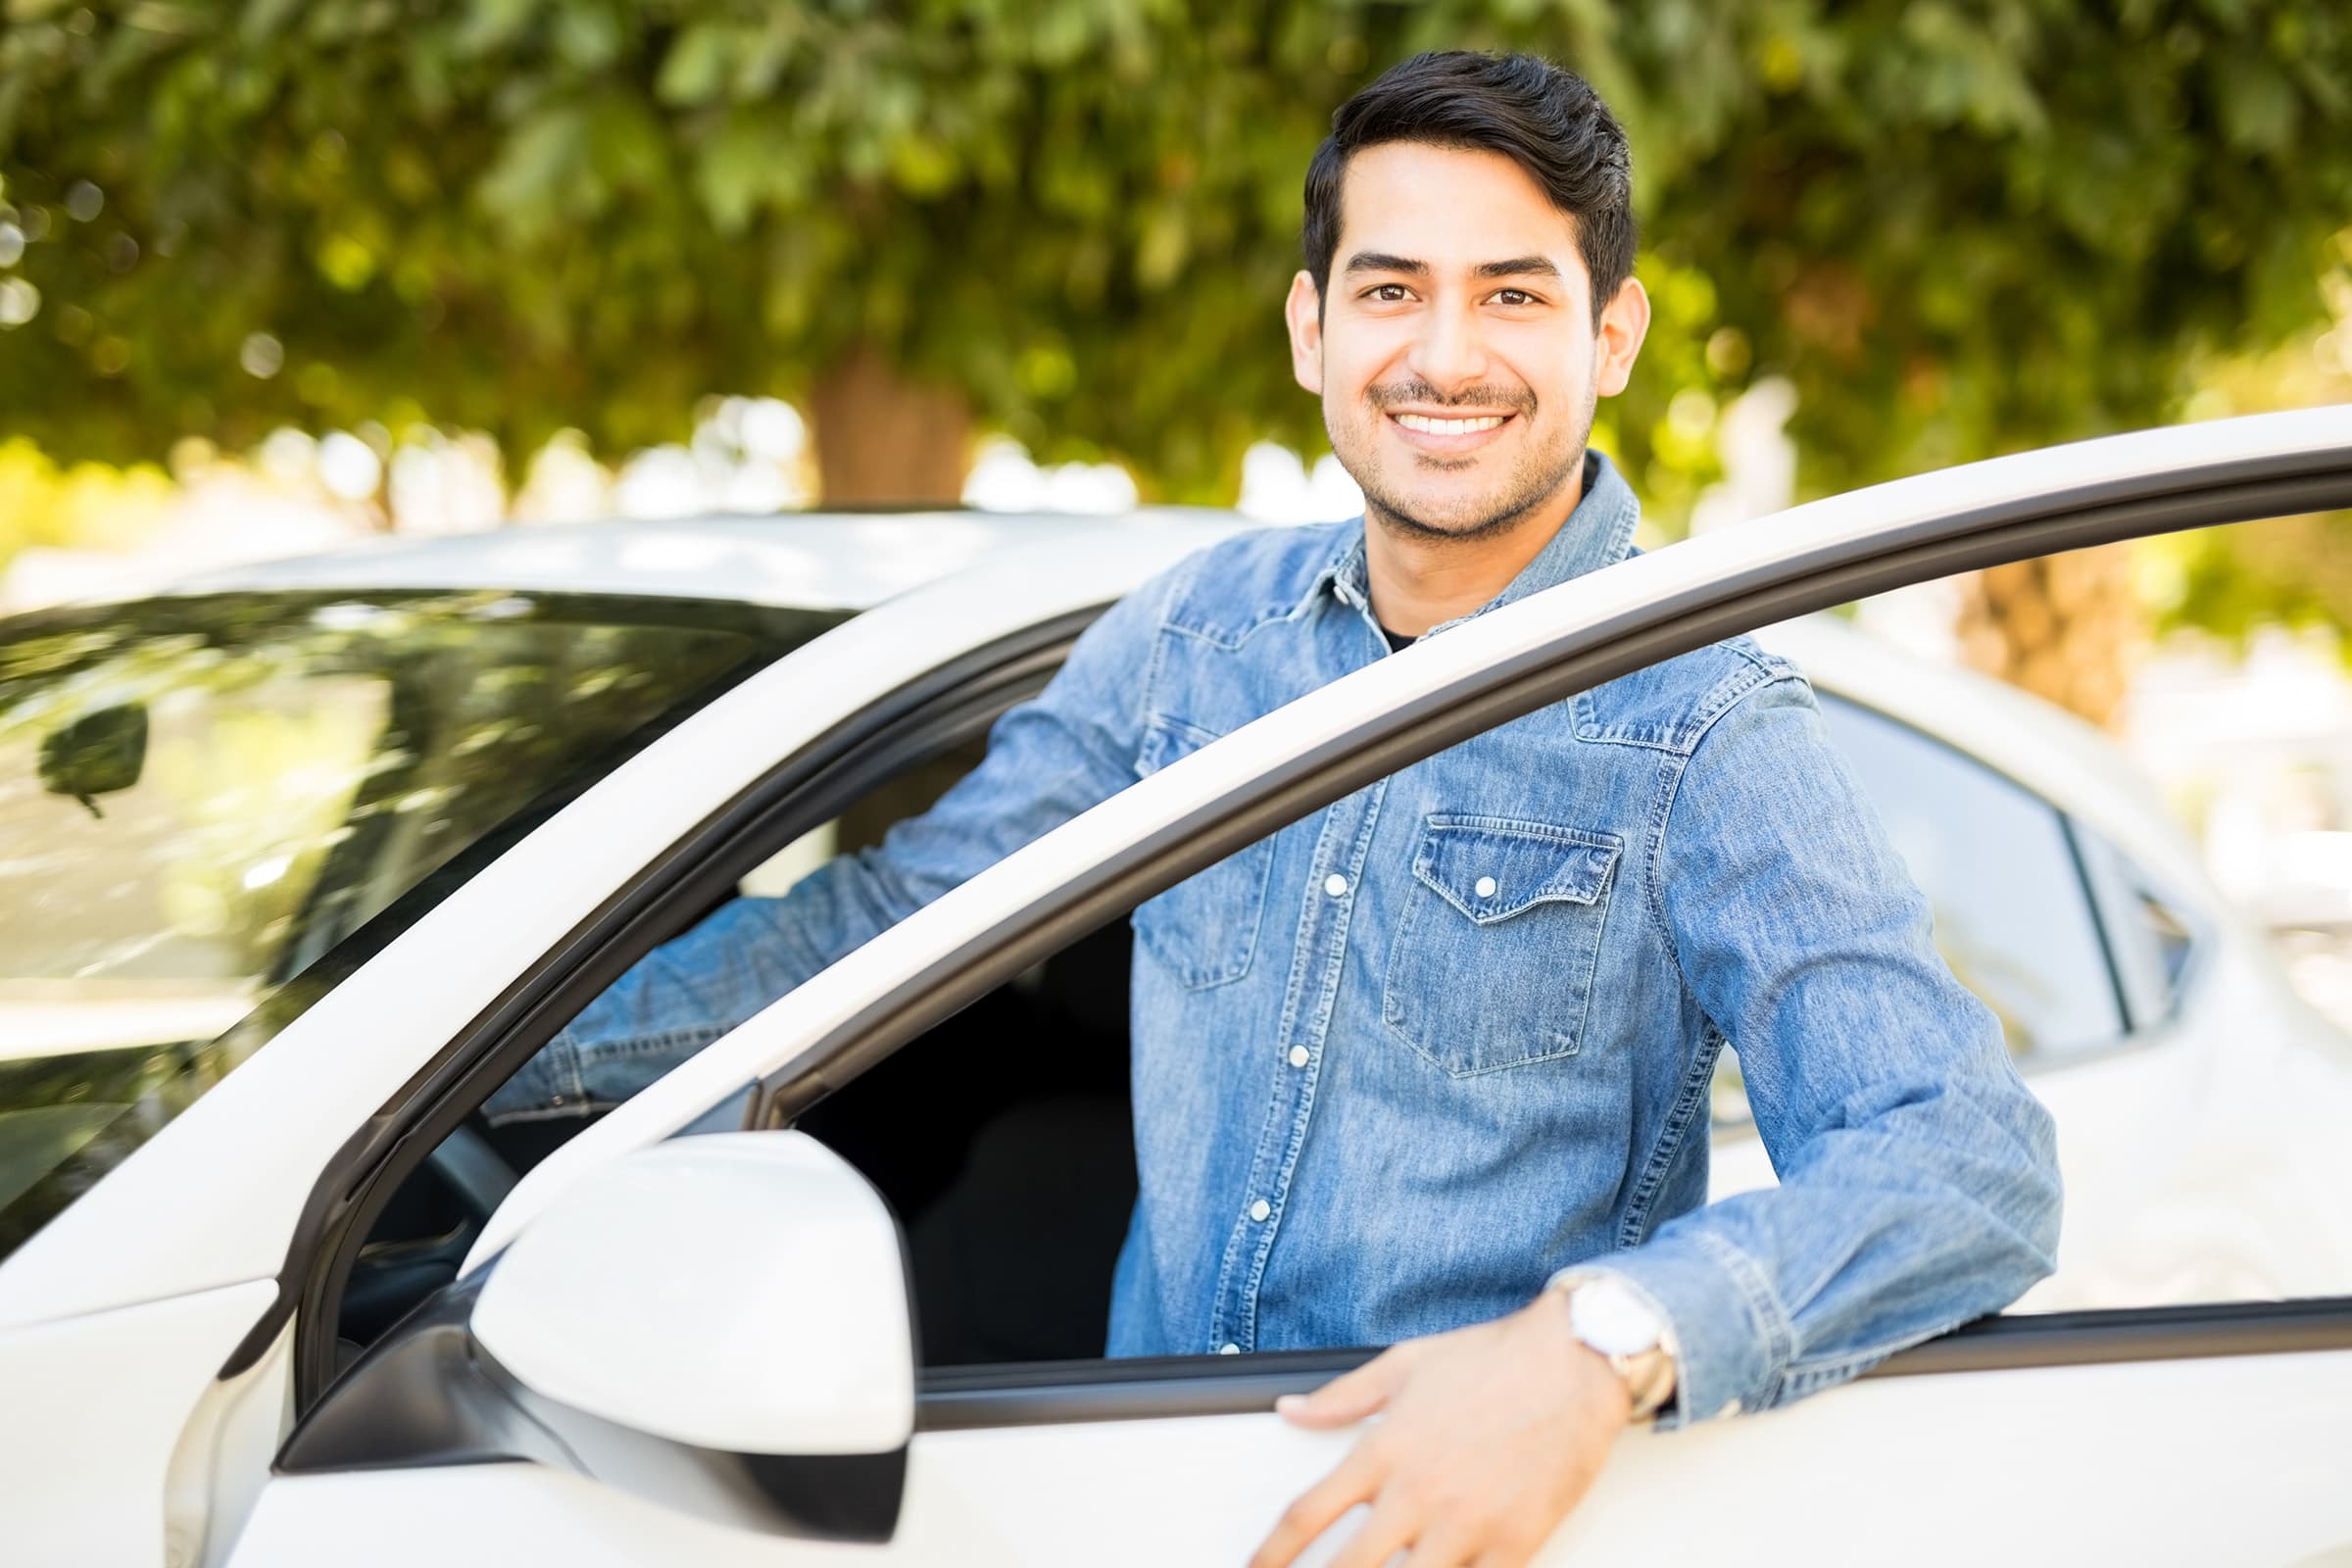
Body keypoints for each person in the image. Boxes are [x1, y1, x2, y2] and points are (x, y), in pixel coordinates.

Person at [487, 50, 2062, 1567]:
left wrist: (1596, 1355)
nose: (1446, 357)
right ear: (1313, 327)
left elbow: (1966, 1161)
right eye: (1393, 290)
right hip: (1116, 1505)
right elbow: (884, 927)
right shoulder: (1185, 641)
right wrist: (466, 1057)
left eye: (1513, 293)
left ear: (1615, 334)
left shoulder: (1705, 726)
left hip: (1463, 1527)